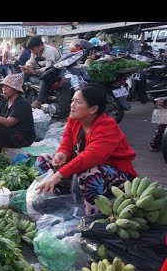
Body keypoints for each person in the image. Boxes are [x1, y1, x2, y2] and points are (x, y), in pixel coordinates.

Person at [35, 83, 138, 215]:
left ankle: (92, 216)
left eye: (77, 102)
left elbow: (91, 157)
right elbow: (66, 143)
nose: (72, 105)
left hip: (116, 176)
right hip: (85, 169)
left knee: (90, 172)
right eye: (72, 100)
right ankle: (64, 197)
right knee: (43, 159)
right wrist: (62, 154)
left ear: (93, 109)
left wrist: (58, 175)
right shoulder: (74, 119)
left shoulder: (107, 126)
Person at [21, 35, 61, 109]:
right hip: (41, 71)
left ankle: (38, 101)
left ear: (40, 46)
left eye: (33, 49)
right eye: (31, 50)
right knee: (23, 74)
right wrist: (27, 66)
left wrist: (33, 71)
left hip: (54, 73)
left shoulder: (49, 51)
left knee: (45, 77)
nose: (32, 52)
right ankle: (21, 95)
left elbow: (49, 68)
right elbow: (31, 62)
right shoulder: (35, 52)